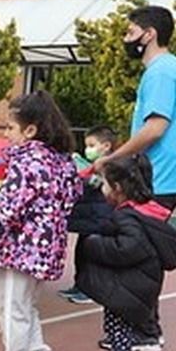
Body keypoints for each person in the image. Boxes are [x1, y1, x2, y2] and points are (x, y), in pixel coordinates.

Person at [93, 4, 176, 351]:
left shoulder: (161, 72)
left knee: (140, 250)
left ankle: (145, 330)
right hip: (170, 172)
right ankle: (143, 327)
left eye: (129, 33)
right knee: (145, 248)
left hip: (164, 175)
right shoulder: (174, 69)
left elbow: (155, 128)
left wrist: (113, 157)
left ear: (149, 34)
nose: (126, 39)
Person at [0, 91, 82, 351]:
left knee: (12, 308)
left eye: (10, 127)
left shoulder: (26, 163)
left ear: (30, 130)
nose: (6, 134)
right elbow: (71, 199)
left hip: (23, 249)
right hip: (48, 249)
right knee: (27, 306)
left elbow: (9, 209)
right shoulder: (62, 162)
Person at [75, 155, 176, 351]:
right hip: (134, 285)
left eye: (104, 184)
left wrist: (95, 244)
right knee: (118, 330)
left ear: (116, 188)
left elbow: (128, 247)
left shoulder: (127, 218)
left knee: (119, 332)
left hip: (129, 286)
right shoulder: (143, 213)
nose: (102, 189)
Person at [60, 125, 118, 305]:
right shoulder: (91, 166)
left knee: (93, 255)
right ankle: (80, 285)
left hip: (101, 219)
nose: (88, 149)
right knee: (82, 252)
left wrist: (95, 177)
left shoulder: (112, 166)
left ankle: (92, 290)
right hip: (89, 218)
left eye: (92, 145)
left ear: (106, 146)